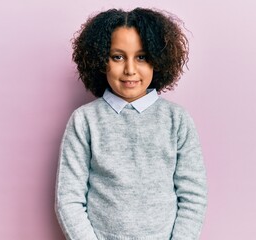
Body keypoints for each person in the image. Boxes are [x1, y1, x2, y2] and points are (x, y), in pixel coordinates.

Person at [55, 7, 207, 240]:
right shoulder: (84, 121)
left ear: (158, 59)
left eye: (142, 57)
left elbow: (193, 197)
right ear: (100, 60)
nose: (130, 69)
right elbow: (68, 199)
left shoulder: (177, 120)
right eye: (118, 56)